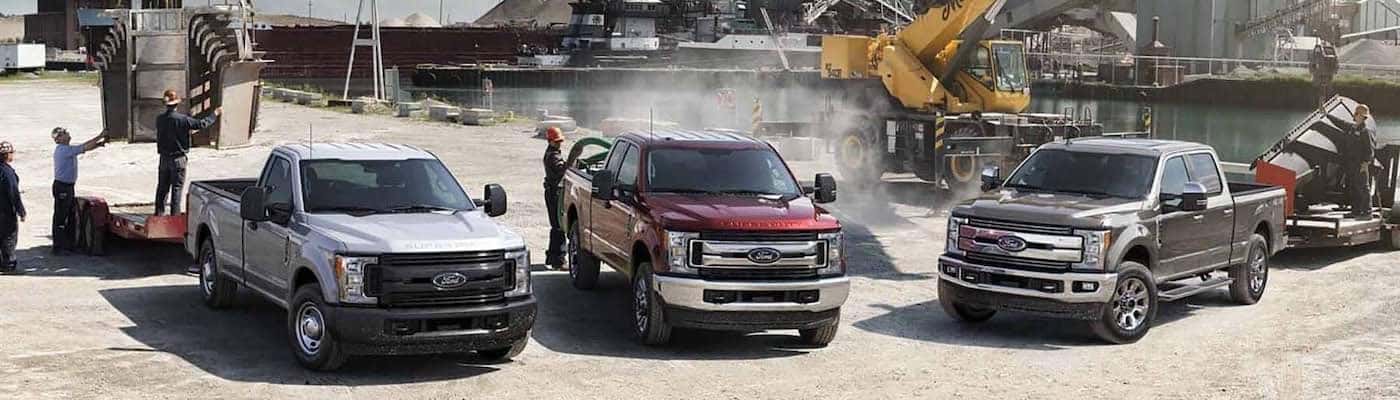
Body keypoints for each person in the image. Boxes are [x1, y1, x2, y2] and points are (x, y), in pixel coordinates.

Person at [154, 89, 220, 216]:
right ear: (177, 104)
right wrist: (215, 114)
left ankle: (158, 215)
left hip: (164, 159)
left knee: (162, 188)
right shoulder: (183, 120)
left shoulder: (160, 119)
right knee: (177, 189)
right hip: (178, 159)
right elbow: (201, 124)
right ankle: (174, 216)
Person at [50, 128, 107, 255]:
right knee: (61, 217)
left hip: (67, 186)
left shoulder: (68, 149)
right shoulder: (63, 150)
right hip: (63, 187)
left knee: (70, 215)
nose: (68, 134)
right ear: (58, 139)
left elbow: (83, 148)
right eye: (64, 133)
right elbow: (84, 147)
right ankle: (59, 247)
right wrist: (100, 136)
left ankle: (68, 244)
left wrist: (98, 145)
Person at [542, 127, 567, 270]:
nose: (559, 144)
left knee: (556, 226)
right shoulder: (552, 156)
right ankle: (558, 260)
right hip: (554, 194)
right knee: (558, 226)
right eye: (556, 142)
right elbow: (561, 169)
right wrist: (572, 161)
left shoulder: (553, 153)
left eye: (560, 141)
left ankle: (553, 258)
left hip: (553, 192)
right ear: (550, 141)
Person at [0, 142, 26, 273]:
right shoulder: (7, 172)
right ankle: (8, 265)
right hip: (5, 211)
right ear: (7, 155)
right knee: (9, 237)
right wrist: (21, 210)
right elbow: (13, 192)